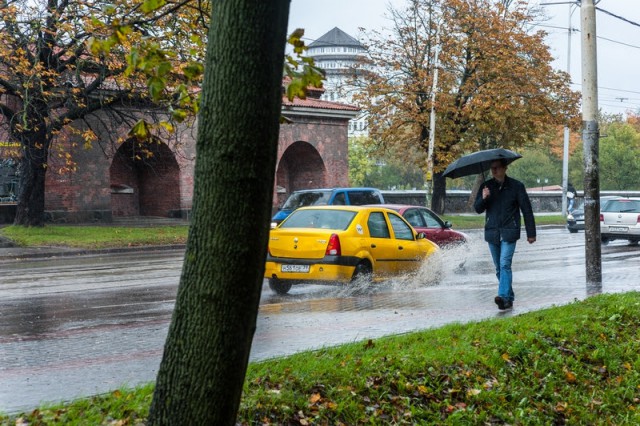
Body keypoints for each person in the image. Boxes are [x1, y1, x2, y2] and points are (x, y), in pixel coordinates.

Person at [474, 159, 536, 310]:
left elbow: (526, 210)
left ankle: (502, 296)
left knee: (504, 264)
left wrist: (531, 233)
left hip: (509, 232)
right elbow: (477, 209)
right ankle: (508, 298)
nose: (494, 171)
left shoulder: (516, 186)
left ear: (505, 168)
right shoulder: (486, 187)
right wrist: (483, 198)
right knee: (498, 268)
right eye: (492, 168)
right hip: (492, 233)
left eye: (497, 168)